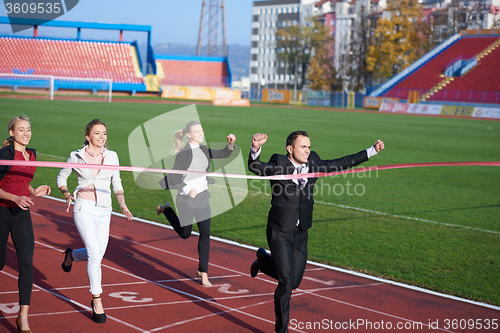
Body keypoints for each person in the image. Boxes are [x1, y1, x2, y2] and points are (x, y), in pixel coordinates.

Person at [248, 131, 385, 333]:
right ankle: (281, 330)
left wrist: (371, 151)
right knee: (285, 283)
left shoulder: (313, 162)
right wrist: (255, 149)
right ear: (290, 149)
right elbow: (256, 168)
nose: (307, 150)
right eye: (303, 146)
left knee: (294, 282)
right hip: (280, 231)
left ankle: (263, 260)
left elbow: (340, 163)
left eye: (309, 146)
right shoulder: (279, 163)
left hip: (301, 232)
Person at [56, 119, 133, 324]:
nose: (102, 137)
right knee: (94, 255)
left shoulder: (112, 156)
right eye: (97, 133)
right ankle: (97, 300)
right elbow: (61, 177)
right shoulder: (76, 156)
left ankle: (71, 255)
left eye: (104, 133)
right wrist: (66, 193)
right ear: (88, 136)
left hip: (104, 210)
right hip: (84, 208)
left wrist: (122, 204)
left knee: (98, 253)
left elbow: (116, 182)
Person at [157, 121, 235, 286]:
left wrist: (230, 145)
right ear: (189, 135)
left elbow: (223, 154)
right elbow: (174, 177)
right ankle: (167, 209)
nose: (201, 133)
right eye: (197, 132)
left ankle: (203, 272)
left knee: (205, 234)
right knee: (185, 233)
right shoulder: (183, 154)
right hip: (186, 198)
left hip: (202, 197)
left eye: (202, 130)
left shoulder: (203, 150)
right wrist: (186, 190)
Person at [0, 116, 51, 333]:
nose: (26, 133)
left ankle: (23, 318)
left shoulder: (31, 154)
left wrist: (33, 191)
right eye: (21, 130)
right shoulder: (3, 155)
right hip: (2, 212)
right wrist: (14, 198)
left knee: (26, 263)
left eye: (28, 129)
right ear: (12, 133)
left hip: (21, 214)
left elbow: (23, 182)